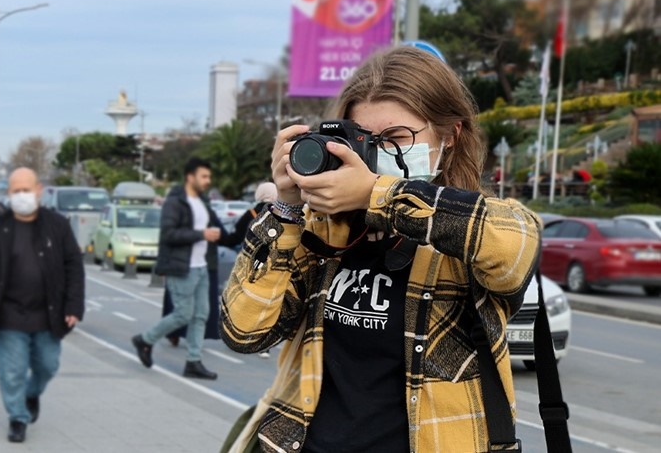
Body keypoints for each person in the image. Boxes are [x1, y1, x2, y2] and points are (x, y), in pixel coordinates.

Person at [221, 46, 540, 452]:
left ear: (451, 137)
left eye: (396, 138)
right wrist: (286, 206)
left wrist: (376, 193)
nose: (376, 153)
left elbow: (514, 248)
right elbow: (243, 332)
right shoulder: (325, 233)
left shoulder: (470, 229)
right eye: (364, 139)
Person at [0, 167, 85, 443]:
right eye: (16, 191)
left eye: (26, 190)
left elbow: (74, 267)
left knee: (48, 365)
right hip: (8, 312)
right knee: (12, 370)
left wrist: (74, 306)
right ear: (8, 194)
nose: (21, 196)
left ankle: (32, 394)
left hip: (48, 312)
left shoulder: (58, 225)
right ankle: (18, 417)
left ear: (39, 190)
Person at [131, 157, 225, 380]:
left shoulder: (202, 201)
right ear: (189, 177)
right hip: (182, 267)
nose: (207, 181)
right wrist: (201, 234)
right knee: (183, 314)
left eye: (209, 177)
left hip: (201, 266)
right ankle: (145, 339)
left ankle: (193, 361)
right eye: (203, 176)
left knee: (201, 314)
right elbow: (169, 234)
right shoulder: (175, 202)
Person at [161, 181, 279, 357]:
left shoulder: (251, 214)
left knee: (240, 301)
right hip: (275, 266)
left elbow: (231, 239)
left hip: (247, 266)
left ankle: (173, 336)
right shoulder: (281, 214)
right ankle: (264, 344)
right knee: (269, 303)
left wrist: (217, 237)